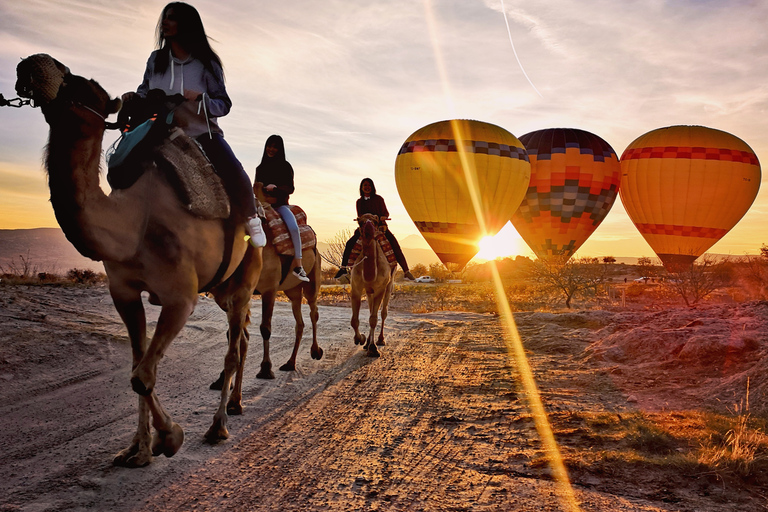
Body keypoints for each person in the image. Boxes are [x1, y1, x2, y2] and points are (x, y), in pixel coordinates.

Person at [121, 2, 265, 248]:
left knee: (232, 167)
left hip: (200, 133)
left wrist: (200, 98)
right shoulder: (156, 60)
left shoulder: (207, 63)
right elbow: (144, 90)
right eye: (165, 18)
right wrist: (133, 99)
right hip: (158, 132)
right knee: (123, 161)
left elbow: (224, 104)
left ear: (187, 25)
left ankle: (252, 219)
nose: (165, 23)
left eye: (173, 18)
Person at [334, 178, 415, 280]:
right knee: (349, 243)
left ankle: (406, 271)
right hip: (364, 228)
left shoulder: (379, 199)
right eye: (365, 185)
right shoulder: (359, 202)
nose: (367, 187)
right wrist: (364, 219)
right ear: (361, 188)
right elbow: (360, 215)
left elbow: (386, 213)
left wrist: (382, 217)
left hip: (380, 227)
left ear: (372, 187)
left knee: (394, 244)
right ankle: (343, 268)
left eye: (369, 185)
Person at [255, 135, 309, 282]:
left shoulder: (285, 166)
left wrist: (276, 189)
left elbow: (290, 188)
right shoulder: (260, 168)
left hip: (280, 206)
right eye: (269, 146)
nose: (271, 150)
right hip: (262, 206)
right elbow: (256, 187)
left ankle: (298, 265)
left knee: (293, 228)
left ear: (279, 149)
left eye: (274, 147)